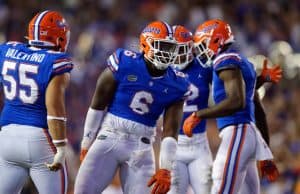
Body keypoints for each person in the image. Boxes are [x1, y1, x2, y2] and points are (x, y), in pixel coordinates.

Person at [74, 20, 191, 194]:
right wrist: (86, 143)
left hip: (141, 146)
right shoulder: (124, 62)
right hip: (110, 136)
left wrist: (165, 168)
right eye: (162, 46)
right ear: (145, 43)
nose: (167, 53)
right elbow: (98, 104)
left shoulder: (177, 82)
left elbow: (170, 131)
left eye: (170, 48)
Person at [183, 19, 279, 194]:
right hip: (248, 134)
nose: (201, 51)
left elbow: (236, 101)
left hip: (237, 133)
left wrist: (199, 115)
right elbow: (258, 111)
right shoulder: (243, 63)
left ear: (216, 40)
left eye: (203, 44)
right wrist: (266, 151)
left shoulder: (224, 59)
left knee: (220, 188)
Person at [0, 10, 72, 194]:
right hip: (39, 139)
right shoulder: (55, 61)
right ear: (59, 37)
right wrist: (62, 147)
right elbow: (54, 109)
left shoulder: (7, 50)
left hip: (7, 137)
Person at [168, 25, 213, 194]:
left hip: (199, 144)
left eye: (179, 49)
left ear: (190, 47)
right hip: (172, 144)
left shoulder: (204, 66)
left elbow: (223, 92)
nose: (175, 54)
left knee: (207, 191)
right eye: (171, 49)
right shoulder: (162, 69)